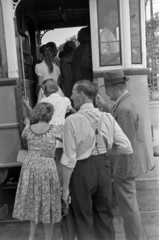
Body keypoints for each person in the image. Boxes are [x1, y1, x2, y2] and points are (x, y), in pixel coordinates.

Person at [61, 80, 133, 240]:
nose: (71, 96)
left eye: (73, 92)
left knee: (83, 218)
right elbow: (126, 147)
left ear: (81, 95)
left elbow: (69, 158)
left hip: (81, 172)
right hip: (103, 169)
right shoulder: (107, 117)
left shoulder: (71, 121)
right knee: (105, 216)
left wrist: (65, 189)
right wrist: (107, 154)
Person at [97, 70, 155, 240]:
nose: (106, 92)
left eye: (107, 89)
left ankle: (133, 238)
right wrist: (105, 106)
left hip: (126, 165)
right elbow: (118, 113)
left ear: (114, 88)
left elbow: (125, 146)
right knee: (130, 204)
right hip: (132, 161)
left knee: (128, 207)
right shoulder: (128, 101)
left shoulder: (124, 109)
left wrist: (116, 167)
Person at [13, 102, 62, 240]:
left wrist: (29, 122)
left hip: (30, 165)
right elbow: (66, 139)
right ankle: (48, 238)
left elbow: (24, 137)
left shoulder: (28, 129)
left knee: (33, 200)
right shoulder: (54, 129)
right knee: (48, 202)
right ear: (50, 115)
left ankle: (31, 236)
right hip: (47, 165)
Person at [23, 78, 76, 185]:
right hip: (62, 130)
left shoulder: (44, 101)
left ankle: (50, 184)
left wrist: (26, 105)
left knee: (48, 160)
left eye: (42, 89)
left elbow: (34, 114)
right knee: (61, 162)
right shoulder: (65, 100)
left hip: (47, 130)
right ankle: (61, 186)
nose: (42, 91)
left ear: (45, 89)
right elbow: (74, 112)